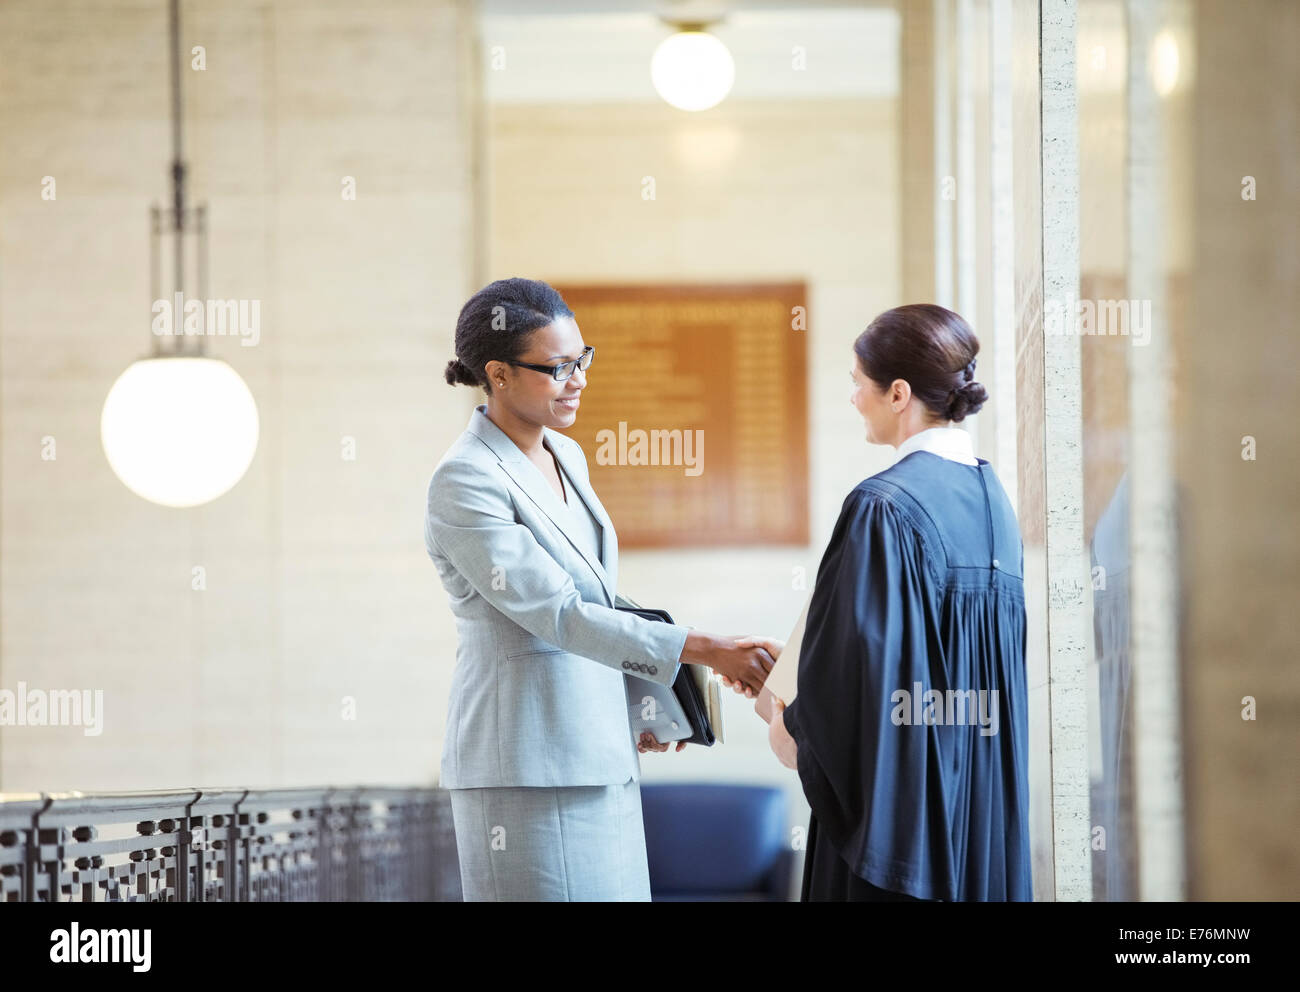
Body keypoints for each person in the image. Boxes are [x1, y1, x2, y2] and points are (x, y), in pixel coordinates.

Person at [425, 277, 774, 902]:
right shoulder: (464, 479)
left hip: (598, 749)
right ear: (498, 375)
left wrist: (644, 704)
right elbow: (557, 614)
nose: (578, 379)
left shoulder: (567, 455)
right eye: (557, 367)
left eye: (581, 359)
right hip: (525, 767)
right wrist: (707, 648)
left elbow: (597, 598)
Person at [733, 303, 1032, 901]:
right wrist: (803, 661)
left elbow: (854, 711)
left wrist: (781, 704)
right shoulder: (996, 503)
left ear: (898, 394)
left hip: (903, 847)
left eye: (856, 383)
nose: (852, 399)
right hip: (978, 829)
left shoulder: (883, 507)